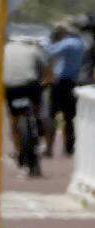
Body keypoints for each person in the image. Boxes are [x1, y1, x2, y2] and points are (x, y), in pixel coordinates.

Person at [2, 34, 50, 176]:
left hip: (11, 88)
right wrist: (44, 82)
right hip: (30, 86)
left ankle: (17, 150)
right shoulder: (33, 50)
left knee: (13, 118)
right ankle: (40, 131)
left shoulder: (4, 49)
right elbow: (44, 70)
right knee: (38, 110)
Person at [45, 23, 86, 158]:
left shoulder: (68, 43)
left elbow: (50, 51)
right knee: (70, 117)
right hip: (73, 82)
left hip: (60, 82)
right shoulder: (81, 44)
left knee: (52, 114)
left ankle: (49, 147)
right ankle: (69, 148)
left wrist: (51, 37)